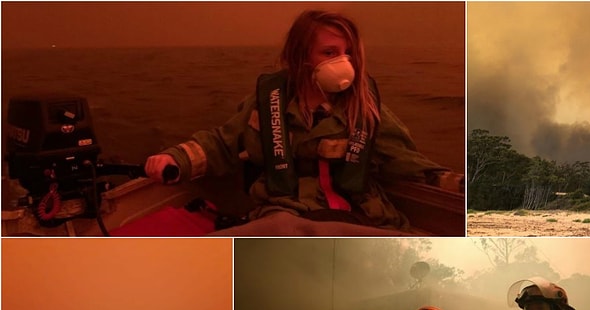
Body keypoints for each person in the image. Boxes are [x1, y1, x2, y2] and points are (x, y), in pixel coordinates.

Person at [144, 10, 463, 236]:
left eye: (348, 52)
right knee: (281, 231)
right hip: (287, 211)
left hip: (361, 214)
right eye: (330, 52)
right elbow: (222, 142)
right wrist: (177, 158)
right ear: (301, 56)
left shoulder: (365, 107)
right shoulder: (267, 103)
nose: (344, 62)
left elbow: (407, 162)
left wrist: (452, 182)